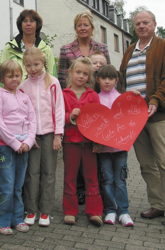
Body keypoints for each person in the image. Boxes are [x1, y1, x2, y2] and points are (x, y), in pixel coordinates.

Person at [120, 10, 165, 232]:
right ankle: (158, 204)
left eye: (145, 22)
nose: (141, 26)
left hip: (159, 114)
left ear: (154, 24)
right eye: (138, 23)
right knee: (146, 165)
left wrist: (156, 100)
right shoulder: (130, 51)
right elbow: (123, 81)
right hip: (136, 118)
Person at [58, 10, 110, 205]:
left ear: (92, 27)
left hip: (96, 100)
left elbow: (108, 74)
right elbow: (63, 78)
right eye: (79, 25)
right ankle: (79, 192)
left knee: (92, 148)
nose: (83, 28)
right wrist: (68, 103)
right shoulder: (66, 50)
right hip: (75, 101)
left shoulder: (102, 48)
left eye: (86, 24)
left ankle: (95, 192)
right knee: (75, 150)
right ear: (75, 28)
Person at [19, 48, 64, 227]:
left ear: (43, 63)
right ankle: (31, 210)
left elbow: (59, 110)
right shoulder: (23, 86)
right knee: (32, 173)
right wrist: (26, 136)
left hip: (49, 134)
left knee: (48, 173)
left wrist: (58, 135)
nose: (32, 68)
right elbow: (21, 113)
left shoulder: (52, 83)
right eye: (28, 65)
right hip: (31, 136)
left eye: (36, 64)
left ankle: (45, 211)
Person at [0, 60, 36, 235]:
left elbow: (32, 120)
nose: (14, 79)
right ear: (2, 78)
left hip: (23, 147)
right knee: (6, 186)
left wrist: (28, 142)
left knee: (18, 186)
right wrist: (15, 143)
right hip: (5, 148)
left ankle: (17, 219)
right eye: (10, 76)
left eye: (17, 75)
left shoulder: (24, 97)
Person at [62, 57, 103, 227]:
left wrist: (98, 141)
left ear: (89, 77)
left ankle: (94, 212)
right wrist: (70, 115)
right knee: (70, 178)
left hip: (88, 144)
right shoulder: (63, 94)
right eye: (78, 72)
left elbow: (99, 119)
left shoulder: (93, 95)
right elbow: (58, 116)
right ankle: (70, 211)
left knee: (91, 178)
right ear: (70, 73)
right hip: (71, 142)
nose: (81, 76)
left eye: (85, 74)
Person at [94, 65, 135, 227]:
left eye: (111, 78)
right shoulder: (95, 99)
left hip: (120, 148)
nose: (107, 81)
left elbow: (131, 117)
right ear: (97, 80)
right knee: (106, 179)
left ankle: (123, 211)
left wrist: (135, 97)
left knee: (120, 180)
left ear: (116, 80)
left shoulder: (122, 98)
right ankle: (110, 209)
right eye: (103, 78)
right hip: (103, 149)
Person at [0, 9, 56, 82]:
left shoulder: (46, 49)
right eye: (25, 21)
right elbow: (1, 76)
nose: (28, 24)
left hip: (40, 92)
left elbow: (52, 76)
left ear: (37, 25)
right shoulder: (9, 48)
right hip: (14, 92)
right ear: (21, 24)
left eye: (32, 21)